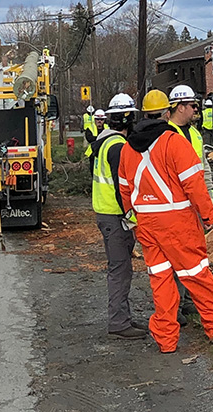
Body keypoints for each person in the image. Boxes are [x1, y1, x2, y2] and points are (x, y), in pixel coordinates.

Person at [118, 89, 213, 354]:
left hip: (146, 224)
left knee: (161, 280)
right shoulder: (175, 142)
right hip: (178, 222)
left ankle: (166, 340)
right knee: (196, 275)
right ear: (167, 113)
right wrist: (209, 216)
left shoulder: (128, 148)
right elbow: (195, 185)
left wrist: (135, 215)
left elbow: (124, 189)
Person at [91, 93, 147, 340]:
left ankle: (122, 316)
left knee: (120, 267)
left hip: (106, 213)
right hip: (115, 216)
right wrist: (131, 216)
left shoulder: (104, 141)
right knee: (121, 269)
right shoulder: (117, 146)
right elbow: (121, 185)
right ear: (127, 118)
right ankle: (118, 321)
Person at [166, 85, 213, 323]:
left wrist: (211, 198)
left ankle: (187, 300)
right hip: (176, 207)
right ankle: (174, 305)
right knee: (175, 258)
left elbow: (203, 168)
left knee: (194, 256)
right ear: (180, 107)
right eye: (193, 106)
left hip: (194, 204)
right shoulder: (167, 134)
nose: (196, 110)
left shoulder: (195, 134)